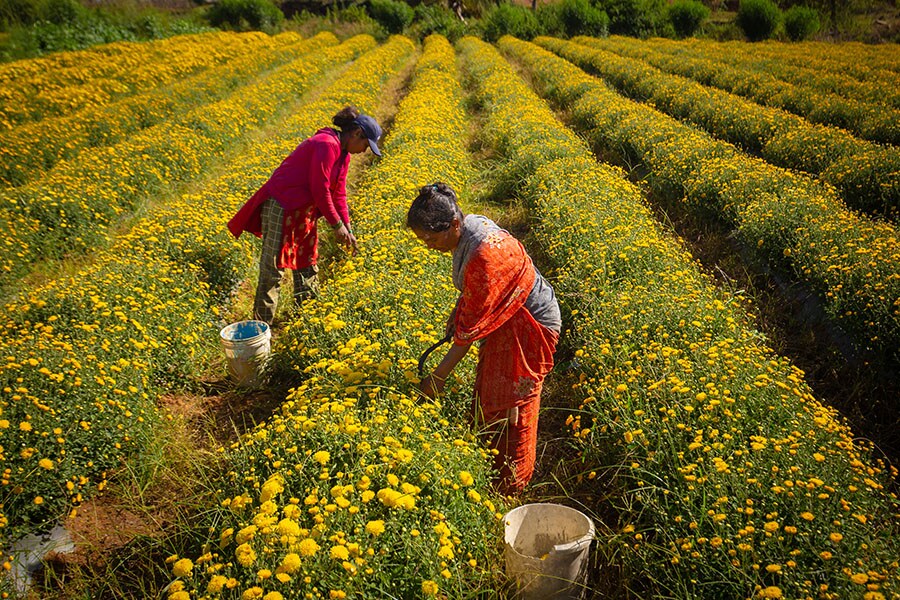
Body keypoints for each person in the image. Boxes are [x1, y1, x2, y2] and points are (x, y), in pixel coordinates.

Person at [408, 183, 561, 494]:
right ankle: (488, 466)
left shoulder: (485, 256)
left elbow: (466, 337)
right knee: (492, 395)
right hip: (512, 317)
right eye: (423, 241)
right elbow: (475, 292)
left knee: (512, 403)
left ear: (453, 224)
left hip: (530, 325)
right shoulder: (471, 225)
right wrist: (459, 308)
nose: (429, 247)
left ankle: (511, 485)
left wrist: (436, 380)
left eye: (432, 239)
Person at [228, 106, 382, 325]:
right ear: (356, 133)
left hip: (304, 209)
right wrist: (336, 225)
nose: (364, 151)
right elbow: (320, 189)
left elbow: (338, 192)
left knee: (307, 261)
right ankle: (263, 328)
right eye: (366, 145)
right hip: (283, 204)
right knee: (273, 269)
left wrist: (347, 226)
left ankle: (306, 321)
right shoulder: (326, 145)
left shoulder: (344, 154)